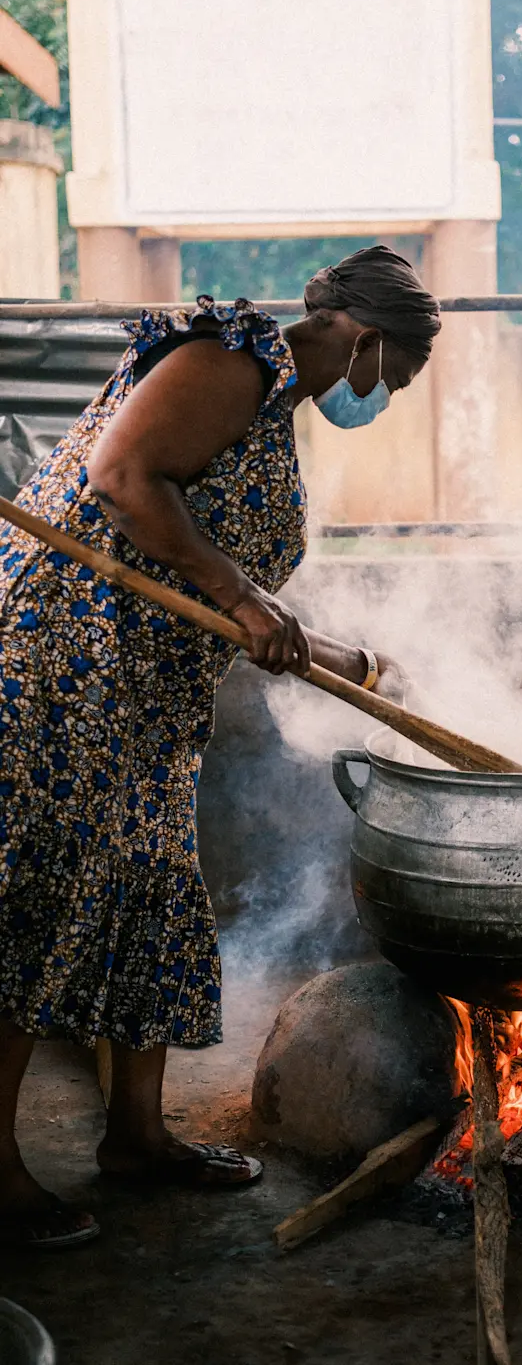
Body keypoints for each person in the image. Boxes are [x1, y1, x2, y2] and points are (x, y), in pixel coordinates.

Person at [0, 245, 440, 1247]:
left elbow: (236, 593)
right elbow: (122, 479)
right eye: (398, 378)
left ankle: (136, 1138)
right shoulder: (229, 360)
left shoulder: (270, 402)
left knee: (147, 891)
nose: (387, 397)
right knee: (42, 900)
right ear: (368, 341)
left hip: (149, 696)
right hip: (73, 670)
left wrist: (350, 659)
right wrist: (246, 595)